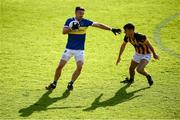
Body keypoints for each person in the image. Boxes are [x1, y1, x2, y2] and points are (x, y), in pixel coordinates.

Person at [46, 6, 121, 91]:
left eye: (83, 13)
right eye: (80, 13)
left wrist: (111, 29)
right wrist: (71, 28)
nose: (81, 15)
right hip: (69, 49)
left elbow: (98, 25)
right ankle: (54, 83)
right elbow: (63, 32)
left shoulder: (85, 22)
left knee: (80, 67)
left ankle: (71, 83)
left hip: (80, 50)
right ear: (75, 12)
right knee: (60, 67)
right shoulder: (69, 20)